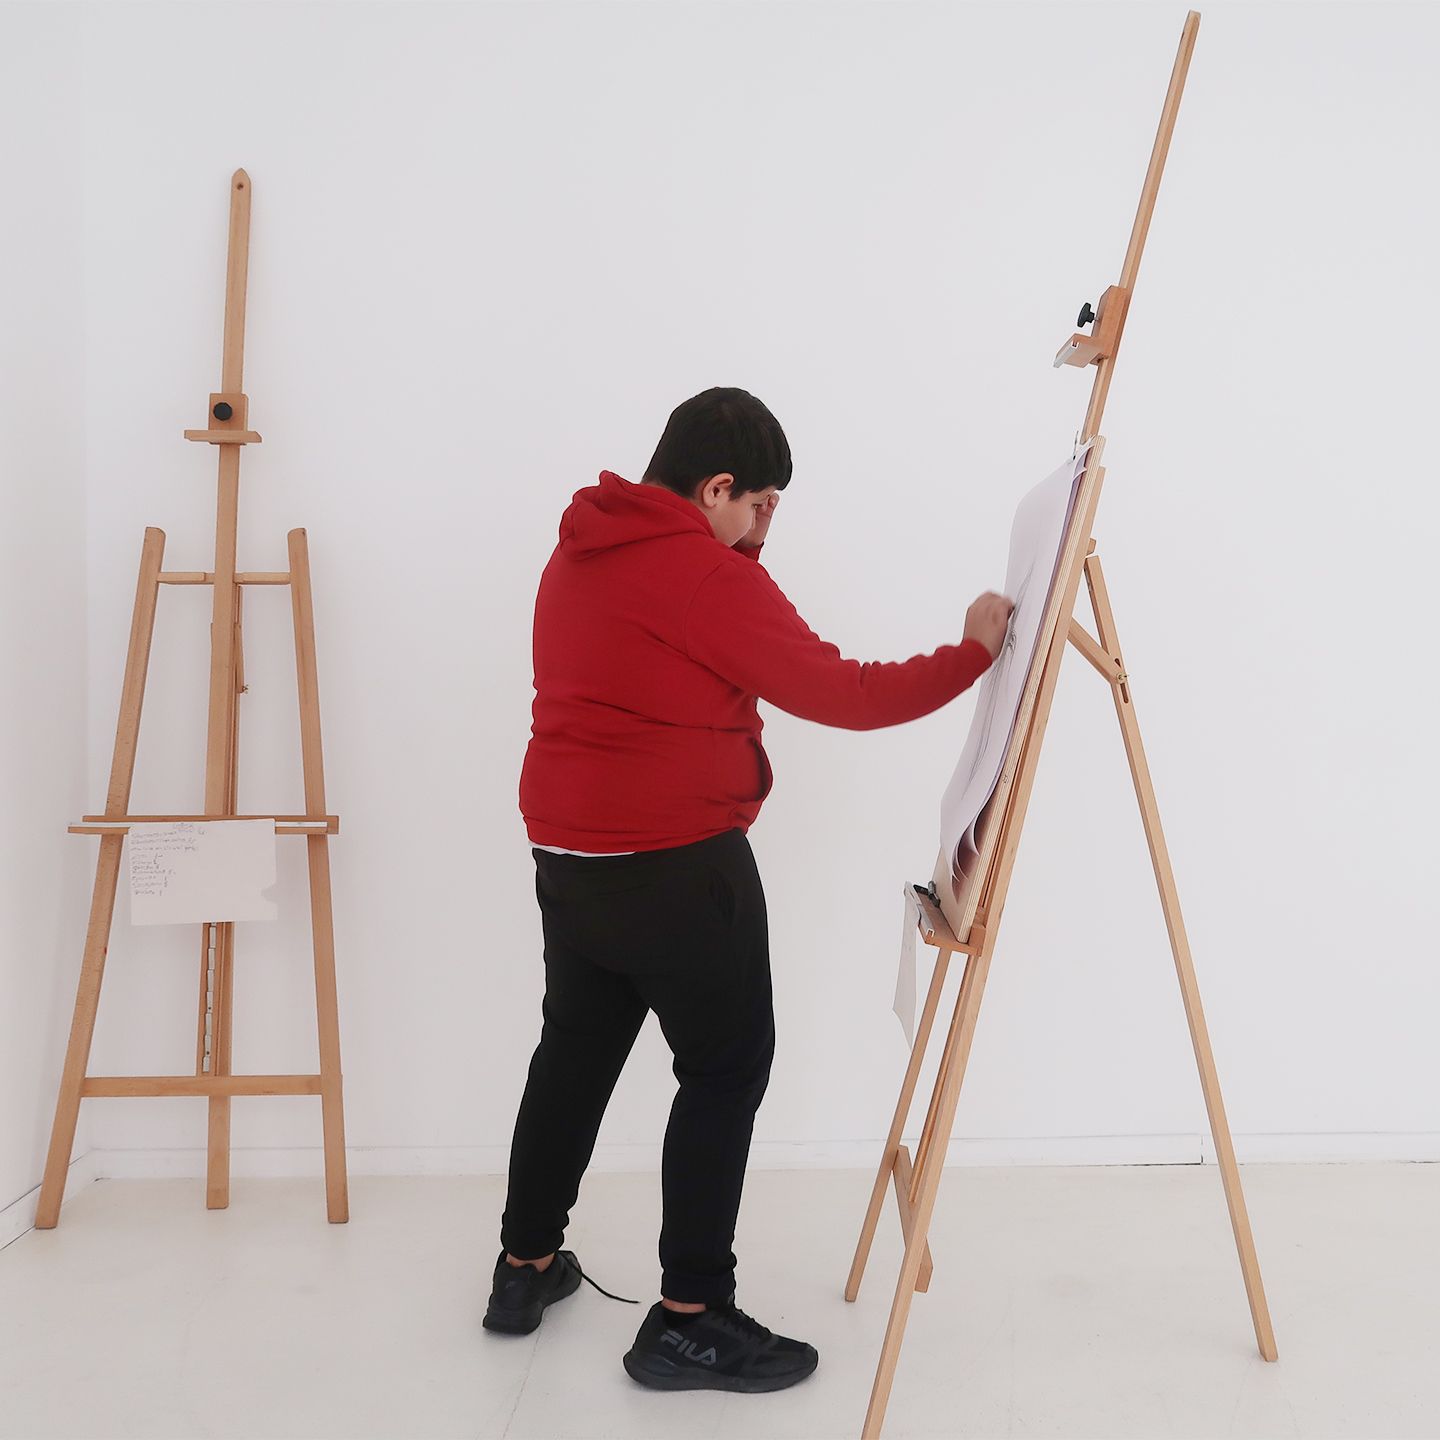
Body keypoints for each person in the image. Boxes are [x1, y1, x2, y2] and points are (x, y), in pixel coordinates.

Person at [484, 387, 1013, 1393]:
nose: (766, 525)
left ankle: (525, 1267)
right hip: (677, 860)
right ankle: (688, 1318)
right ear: (715, 487)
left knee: (576, 1051)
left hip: (568, 853)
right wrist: (976, 650)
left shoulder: (581, 548)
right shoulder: (700, 574)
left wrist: (740, 552)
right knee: (725, 1068)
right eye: (760, 504)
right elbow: (847, 693)